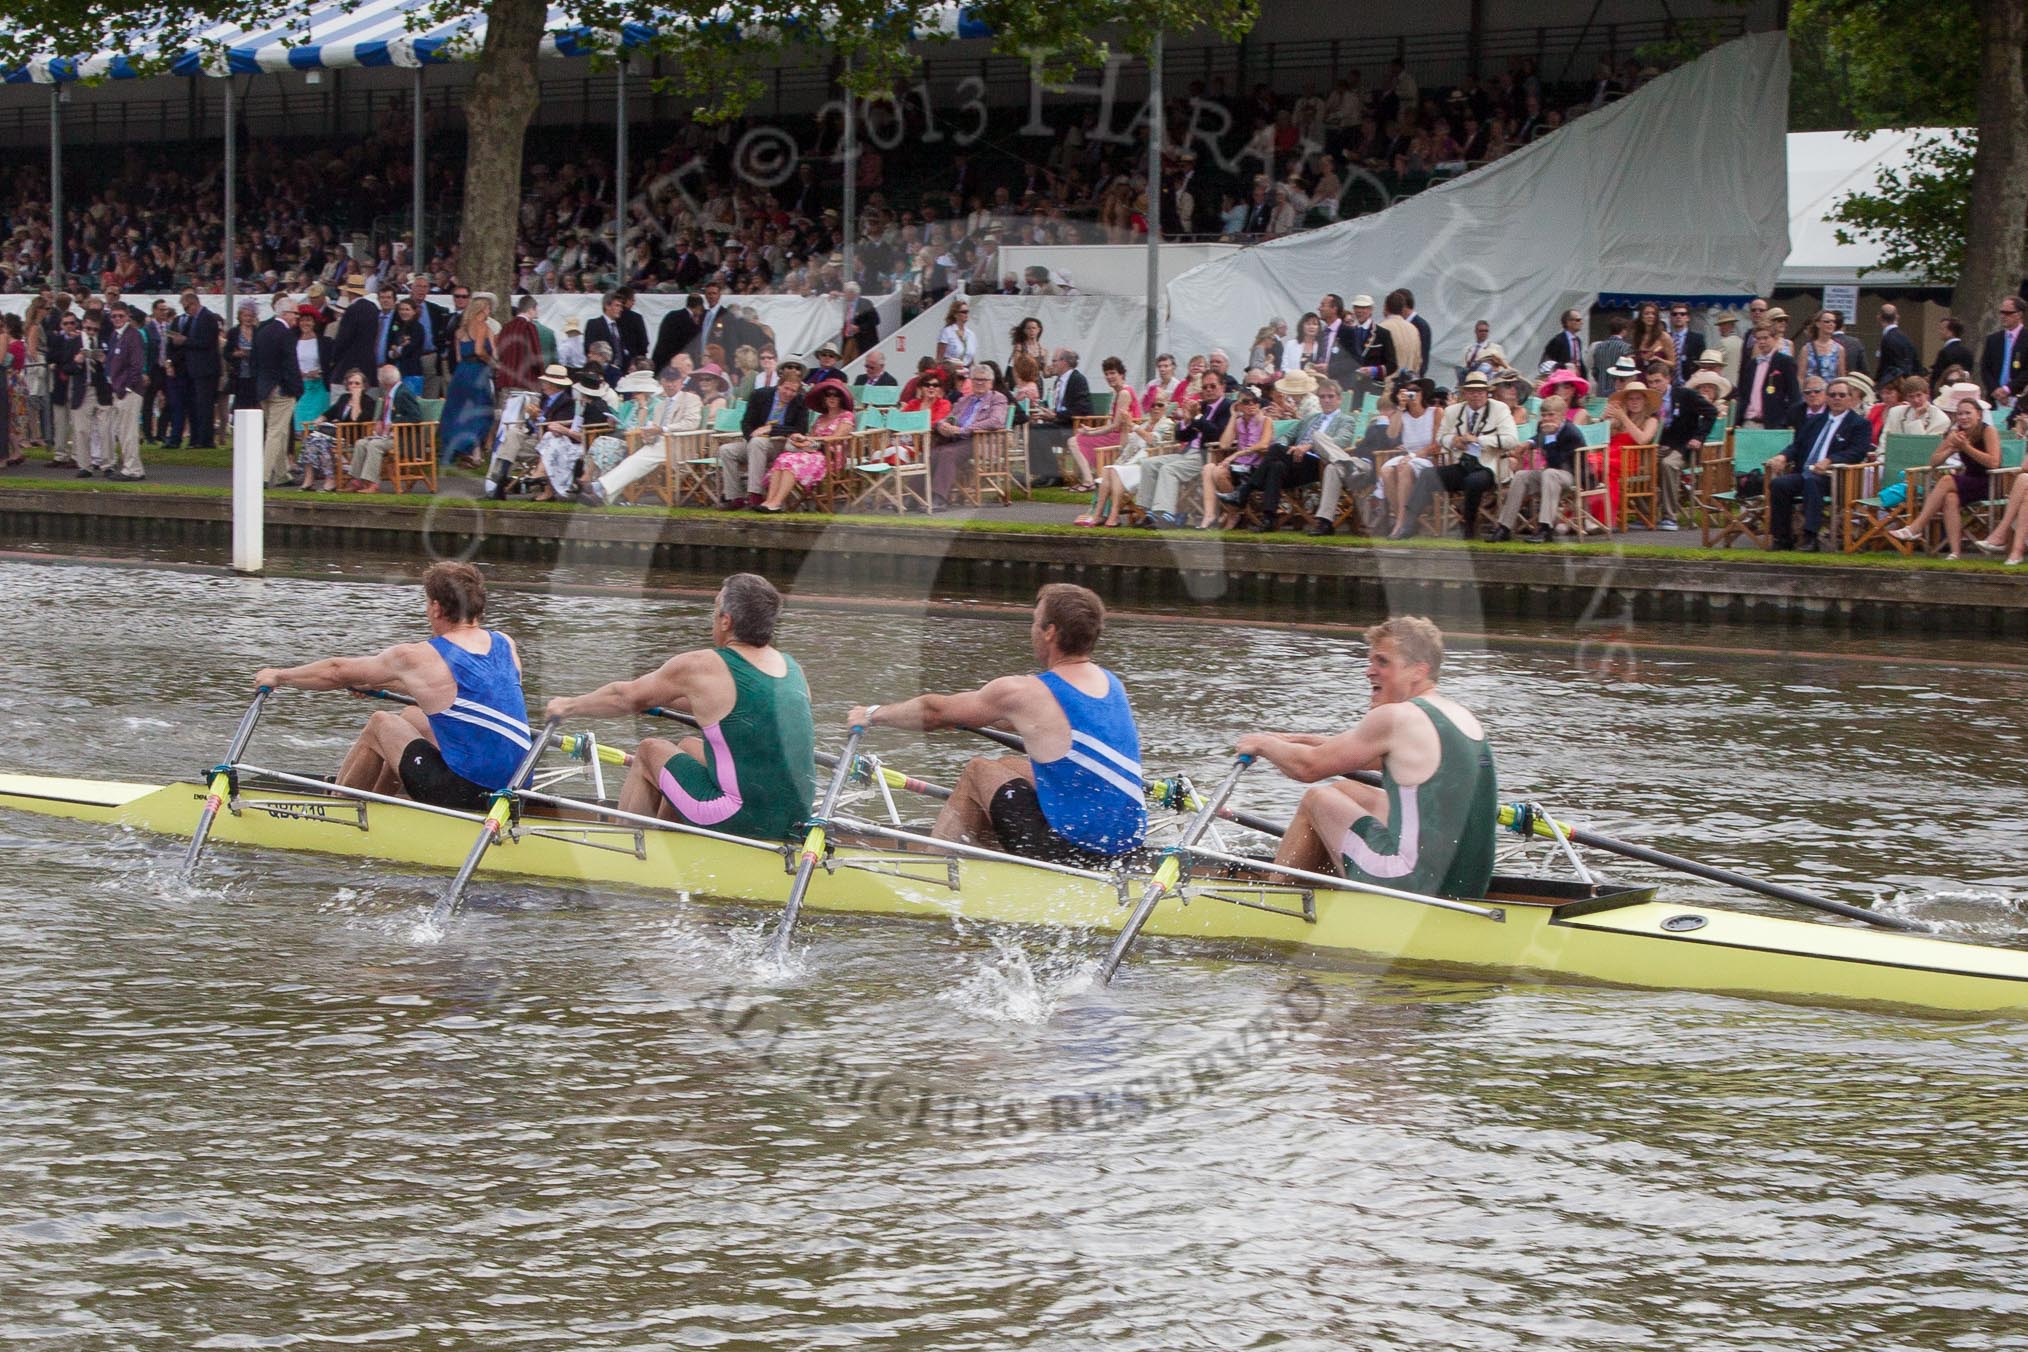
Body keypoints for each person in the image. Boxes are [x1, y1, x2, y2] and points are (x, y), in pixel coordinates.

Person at [846, 583, 1145, 864]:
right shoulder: (1110, 683)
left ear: (1050, 632)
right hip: (1124, 843)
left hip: (1070, 849)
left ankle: (931, 870)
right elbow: (1035, 726)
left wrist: (873, 714)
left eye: (1034, 621)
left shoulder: (1023, 691)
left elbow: (934, 711)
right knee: (1010, 765)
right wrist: (965, 718)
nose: (1031, 630)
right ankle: (986, 854)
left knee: (979, 770)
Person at [1239, 617, 1495, 900]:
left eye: (1382, 662)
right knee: (1345, 791)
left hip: (1410, 885)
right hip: (1468, 887)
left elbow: (1307, 767)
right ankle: (1321, 887)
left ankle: (1274, 904)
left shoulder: (1395, 717)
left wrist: (1260, 744)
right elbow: (1354, 754)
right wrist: (1296, 740)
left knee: (1317, 799)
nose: (1369, 672)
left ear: (1417, 671)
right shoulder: (1461, 718)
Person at [546, 574, 815, 842]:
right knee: (687, 746)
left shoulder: (705, 665)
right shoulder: (793, 669)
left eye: (715, 607)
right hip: (796, 819)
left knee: (650, 750)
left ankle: (623, 848)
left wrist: (568, 706)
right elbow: (738, 709)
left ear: (726, 620)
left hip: (739, 818)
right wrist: (654, 696)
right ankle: (666, 839)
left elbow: (623, 697)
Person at [253, 562, 530, 810]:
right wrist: (378, 683)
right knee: (411, 717)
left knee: (380, 724)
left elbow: (336, 671)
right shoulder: (505, 644)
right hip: (517, 790)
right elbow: (461, 694)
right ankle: (382, 802)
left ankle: (340, 811)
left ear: (435, 607)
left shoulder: (417, 656)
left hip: (465, 793)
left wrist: (279, 676)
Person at [1766, 376, 1871, 552]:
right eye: (1833, 395)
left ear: (1851, 398)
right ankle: (1782, 537)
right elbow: (1798, 446)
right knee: (1779, 484)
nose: (1837, 398)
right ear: (1827, 397)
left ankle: (1810, 536)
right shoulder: (1815, 420)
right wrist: (1783, 456)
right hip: (1806, 472)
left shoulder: (1859, 424)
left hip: (1837, 477)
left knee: (1812, 482)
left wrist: (1830, 460)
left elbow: (1857, 451)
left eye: (1842, 395)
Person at [1890, 393, 1999, 560]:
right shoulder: (1956, 433)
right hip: (1968, 481)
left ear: (1979, 414)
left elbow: (1993, 462)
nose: (1963, 417)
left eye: (1968, 413)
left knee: (1947, 480)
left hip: (1990, 481)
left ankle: (1916, 527)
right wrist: (1951, 448)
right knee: (1949, 498)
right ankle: (1955, 552)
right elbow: (1933, 461)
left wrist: (1966, 447)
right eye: (1960, 414)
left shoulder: (1988, 431)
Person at [1428, 369, 1519, 537]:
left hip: (1490, 466)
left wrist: (1480, 440)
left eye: (1479, 391)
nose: (1475, 395)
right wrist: (1454, 441)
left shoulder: (1500, 409)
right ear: (1465, 393)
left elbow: (1512, 440)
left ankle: (1468, 526)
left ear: (1487, 393)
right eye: (1471, 391)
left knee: (1473, 481)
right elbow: (1441, 437)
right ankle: (1408, 523)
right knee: (1427, 475)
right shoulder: (1453, 411)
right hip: (1463, 463)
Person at [1494, 394, 1586, 541]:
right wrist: (1528, 443)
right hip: (1551, 476)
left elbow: (1558, 461)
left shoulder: (1571, 432)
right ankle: (1504, 527)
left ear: (1562, 415)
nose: (1547, 419)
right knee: (1521, 475)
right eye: (1544, 415)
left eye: (1551, 415)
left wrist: (1550, 437)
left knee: (1549, 473)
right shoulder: (1542, 427)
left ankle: (1545, 528)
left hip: (1572, 475)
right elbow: (1538, 437)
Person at [722, 357, 810, 508]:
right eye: (786, 388)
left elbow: (800, 430)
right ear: (779, 385)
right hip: (756, 443)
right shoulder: (760, 395)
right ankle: (734, 497)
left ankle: (755, 494)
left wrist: (771, 429)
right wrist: (751, 439)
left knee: (758, 443)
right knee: (726, 450)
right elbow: (746, 423)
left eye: (793, 391)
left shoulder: (800, 401)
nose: (789, 393)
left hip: (782, 444)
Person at [757, 379, 852, 512]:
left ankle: (777, 502)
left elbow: (836, 437)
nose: (831, 398)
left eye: (835, 394)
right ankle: (769, 501)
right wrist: (800, 440)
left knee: (791, 462)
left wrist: (808, 438)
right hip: (813, 452)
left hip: (830, 457)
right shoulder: (820, 418)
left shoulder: (846, 416)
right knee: (783, 458)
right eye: (828, 394)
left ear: (841, 398)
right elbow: (811, 439)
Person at [931, 364, 1011, 509]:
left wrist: (964, 430)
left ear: (991, 383)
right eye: (975, 379)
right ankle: (914, 497)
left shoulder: (998, 399)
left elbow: (996, 421)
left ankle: (940, 498)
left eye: (983, 380)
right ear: (971, 381)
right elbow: (950, 417)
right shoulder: (965, 400)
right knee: (932, 454)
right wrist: (942, 425)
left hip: (980, 441)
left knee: (948, 454)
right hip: (958, 440)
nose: (979, 382)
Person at [1376, 379, 1440, 538]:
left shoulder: (1435, 412)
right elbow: (1391, 434)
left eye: (1416, 390)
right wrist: (1400, 407)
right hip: (1408, 456)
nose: (1413, 394)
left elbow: (1435, 446)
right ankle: (1405, 521)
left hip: (1428, 458)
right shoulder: (1402, 414)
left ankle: (1400, 524)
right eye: (1408, 391)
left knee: (1404, 467)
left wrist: (1412, 456)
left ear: (1422, 393)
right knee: (1386, 471)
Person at [1597, 362, 1658, 529]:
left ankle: (1605, 519)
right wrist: (1603, 420)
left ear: (1645, 401)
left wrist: (1624, 417)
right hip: (1610, 455)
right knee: (1587, 466)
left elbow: (1642, 440)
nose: (1634, 402)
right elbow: (1599, 438)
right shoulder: (1618, 419)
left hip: (1629, 460)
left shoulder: (1651, 420)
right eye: (1631, 398)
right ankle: (1588, 515)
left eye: (1638, 398)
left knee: (1603, 468)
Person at [441, 293, 498, 469]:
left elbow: (458, 358)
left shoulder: (461, 330)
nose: (489, 311)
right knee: (482, 410)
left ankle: (470, 452)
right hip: (477, 372)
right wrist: (491, 363)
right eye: (488, 308)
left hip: (461, 373)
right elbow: (480, 350)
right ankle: (473, 451)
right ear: (483, 309)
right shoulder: (481, 327)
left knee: (457, 412)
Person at [253, 297, 304, 487]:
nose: (297, 318)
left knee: (279, 432)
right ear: (284, 313)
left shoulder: (263, 331)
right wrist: (297, 389)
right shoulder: (286, 334)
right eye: (295, 313)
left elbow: (255, 362)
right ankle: (263, 475)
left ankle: (283, 474)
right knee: (275, 432)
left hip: (265, 389)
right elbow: (291, 365)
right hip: (282, 390)